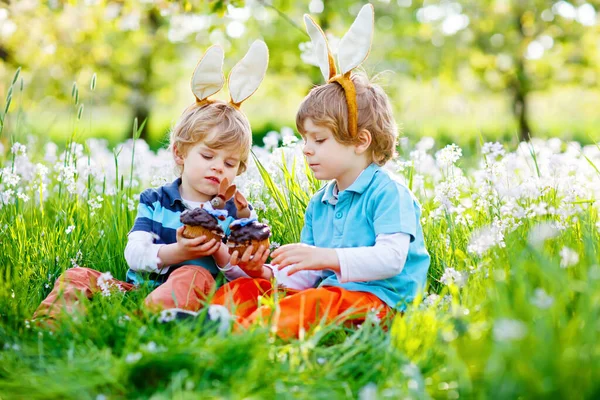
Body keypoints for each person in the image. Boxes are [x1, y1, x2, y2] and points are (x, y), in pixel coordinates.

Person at [212, 5, 430, 339]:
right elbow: (306, 276)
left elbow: (391, 260)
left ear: (360, 141)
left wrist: (323, 257)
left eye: (319, 139)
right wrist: (265, 272)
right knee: (249, 288)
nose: (307, 149)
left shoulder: (389, 193)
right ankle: (209, 322)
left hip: (381, 302)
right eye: (304, 139)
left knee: (314, 303)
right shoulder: (320, 203)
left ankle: (246, 336)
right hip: (330, 295)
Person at [32, 41, 270, 324]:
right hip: (136, 290)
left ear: (239, 169)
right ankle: (48, 327)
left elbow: (244, 277)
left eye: (229, 163)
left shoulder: (236, 213)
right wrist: (177, 252)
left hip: (190, 294)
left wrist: (220, 253)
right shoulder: (155, 201)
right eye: (208, 155)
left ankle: (146, 324)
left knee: (193, 274)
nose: (218, 167)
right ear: (179, 153)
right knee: (78, 275)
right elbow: (134, 254)